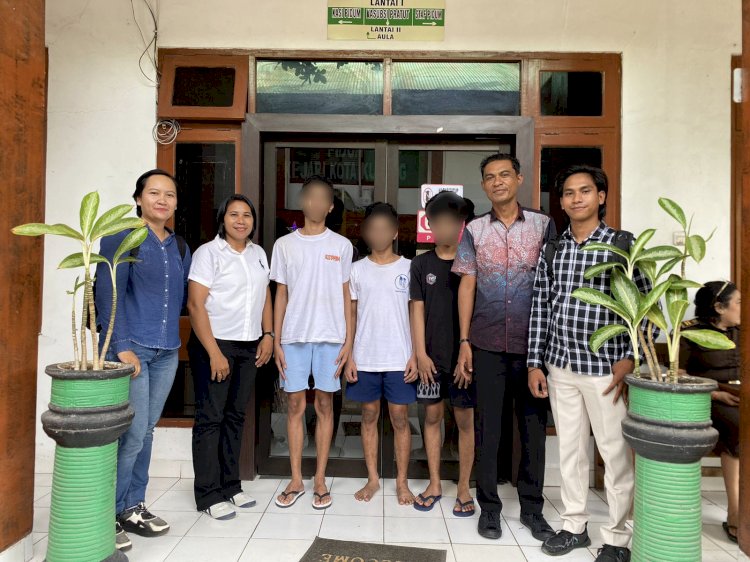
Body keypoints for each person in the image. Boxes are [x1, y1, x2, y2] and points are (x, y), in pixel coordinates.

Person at [527, 164, 651, 562]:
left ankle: (617, 537)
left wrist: (629, 358)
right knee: (571, 452)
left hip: (606, 371)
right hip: (561, 366)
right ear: (561, 202)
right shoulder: (553, 249)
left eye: (584, 191)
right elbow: (541, 307)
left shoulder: (621, 246)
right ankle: (574, 526)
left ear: (601, 197)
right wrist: (535, 362)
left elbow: (645, 307)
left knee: (615, 455)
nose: (576, 198)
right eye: (568, 193)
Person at [452, 153, 556, 541]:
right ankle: (490, 509)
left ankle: (532, 509)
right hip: (487, 344)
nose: (498, 182)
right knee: (488, 430)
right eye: (490, 177)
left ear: (519, 179)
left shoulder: (543, 225)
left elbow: (554, 283)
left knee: (532, 430)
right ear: (483, 185)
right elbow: (467, 284)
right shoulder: (474, 230)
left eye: (505, 175)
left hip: (533, 349)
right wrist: (465, 341)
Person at [95, 169, 191, 552]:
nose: (162, 200)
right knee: (132, 434)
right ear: (138, 198)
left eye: (169, 194)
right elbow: (108, 292)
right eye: (154, 193)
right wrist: (120, 345)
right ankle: (108, 513)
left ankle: (133, 506)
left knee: (147, 430)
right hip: (132, 349)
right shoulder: (122, 237)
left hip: (167, 351)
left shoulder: (178, 245)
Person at [187, 194, 274, 520]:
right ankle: (208, 493)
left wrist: (268, 334)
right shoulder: (208, 253)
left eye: (247, 215)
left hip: (248, 344)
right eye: (234, 214)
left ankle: (230, 485)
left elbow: (265, 295)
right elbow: (195, 304)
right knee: (211, 418)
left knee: (236, 416)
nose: (241, 220)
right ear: (222, 219)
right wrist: (214, 352)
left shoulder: (258, 254)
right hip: (215, 344)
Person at [270, 175, 353, 510]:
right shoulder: (284, 245)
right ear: (302, 202)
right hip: (293, 337)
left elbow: (347, 296)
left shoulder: (342, 245)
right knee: (294, 405)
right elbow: (280, 294)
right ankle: (295, 479)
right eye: (311, 197)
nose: (317, 203)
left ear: (330, 206)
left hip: (331, 337)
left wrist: (348, 341)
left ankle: (319, 479)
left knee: (324, 405)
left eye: (323, 199)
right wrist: (276, 339)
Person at [344, 203, 418, 505]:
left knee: (400, 417)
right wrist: (349, 354)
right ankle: (373, 478)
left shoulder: (409, 268)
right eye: (372, 229)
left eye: (384, 229)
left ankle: (402, 482)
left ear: (395, 233)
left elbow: (416, 314)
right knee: (369, 415)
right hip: (365, 355)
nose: (379, 234)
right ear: (365, 233)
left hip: (400, 356)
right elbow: (351, 314)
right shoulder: (356, 269)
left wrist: (415, 354)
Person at [411, 192, 477, 516]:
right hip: (431, 360)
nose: (445, 228)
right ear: (430, 225)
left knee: (465, 420)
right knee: (432, 417)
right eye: (438, 222)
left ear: (461, 224)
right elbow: (416, 309)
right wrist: (420, 353)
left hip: (463, 359)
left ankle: (464, 487)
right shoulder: (421, 263)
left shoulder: (471, 263)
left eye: (451, 222)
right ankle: (435, 483)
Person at [680, 281, 741, 543]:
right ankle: (736, 514)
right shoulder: (691, 333)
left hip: (742, 397)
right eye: (738, 302)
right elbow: (679, 375)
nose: (743, 307)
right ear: (719, 307)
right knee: (739, 428)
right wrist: (714, 394)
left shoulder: (742, 331)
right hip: (710, 400)